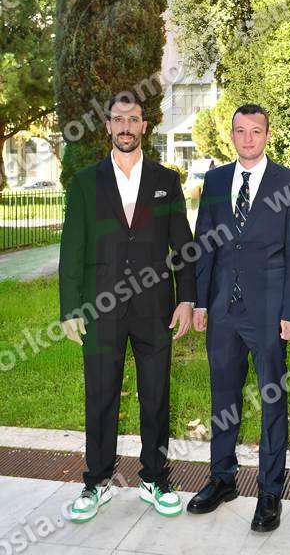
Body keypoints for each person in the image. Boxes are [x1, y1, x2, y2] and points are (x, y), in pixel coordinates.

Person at [59, 93, 196, 522]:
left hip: (155, 308)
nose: (125, 127)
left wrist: (186, 299)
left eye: (133, 119)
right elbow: (72, 248)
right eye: (118, 119)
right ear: (107, 126)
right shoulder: (85, 182)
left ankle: (154, 478)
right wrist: (70, 308)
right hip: (100, 309)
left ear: (144, 126)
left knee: (156, 395)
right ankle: (97, 481)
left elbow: (184, 247)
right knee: (101, 396)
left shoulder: (166, 180)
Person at [187, 103, 290, 533]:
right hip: (223, 310)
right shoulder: (216, 181)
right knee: (223, 397)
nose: (248, 139)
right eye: (240, 131)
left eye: (256, 131)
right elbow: (204, 244)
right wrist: (200, 303)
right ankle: (222, 478)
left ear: (268, 135)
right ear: (232, 135)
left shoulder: (289, 182)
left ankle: (270, 491)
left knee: (272, 400)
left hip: (270, 312)